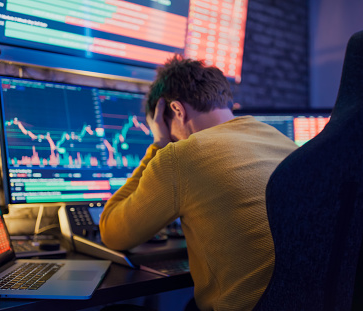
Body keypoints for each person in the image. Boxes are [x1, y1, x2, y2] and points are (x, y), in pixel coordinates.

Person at [99, 55, 298, 310]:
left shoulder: (180, 156)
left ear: (176, 111)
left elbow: (111, 232)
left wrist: (158, 145)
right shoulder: (283, 141)